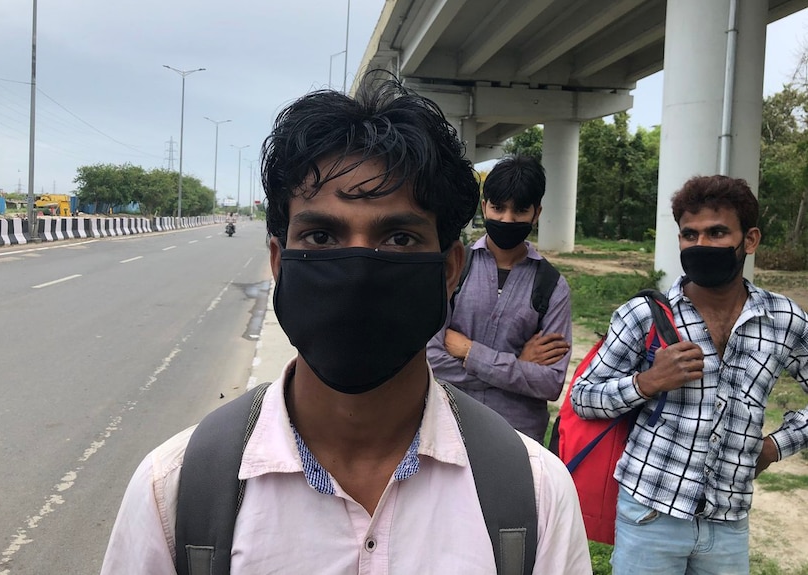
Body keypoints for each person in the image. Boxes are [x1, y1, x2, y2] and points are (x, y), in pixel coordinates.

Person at [101, 78, 591, 574]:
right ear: (279, 262)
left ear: (448, 271)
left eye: (399, 238)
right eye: (320, 235)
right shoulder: (176, 494)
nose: (357, 269)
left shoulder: (534, 497)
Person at [571, 175, 808, 575]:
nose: (701, 245)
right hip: (649, 513)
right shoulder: (644, 314)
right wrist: (646, 383)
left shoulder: (783, 319)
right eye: (689, 235)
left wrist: (775, 446)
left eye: (717, 233)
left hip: (729, 522)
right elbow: (583, 396)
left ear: (749, 240)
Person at [427, 154, 572, 444]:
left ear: (536, 213)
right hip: (448, 425)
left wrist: (470, 352)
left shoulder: (552, 285)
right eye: (498, 207)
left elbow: (551, 383)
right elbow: (430, 360)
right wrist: (518, 364)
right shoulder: (455, 266)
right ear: (484, 207)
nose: (507, 219)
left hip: (517, 439)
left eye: (519, 210)